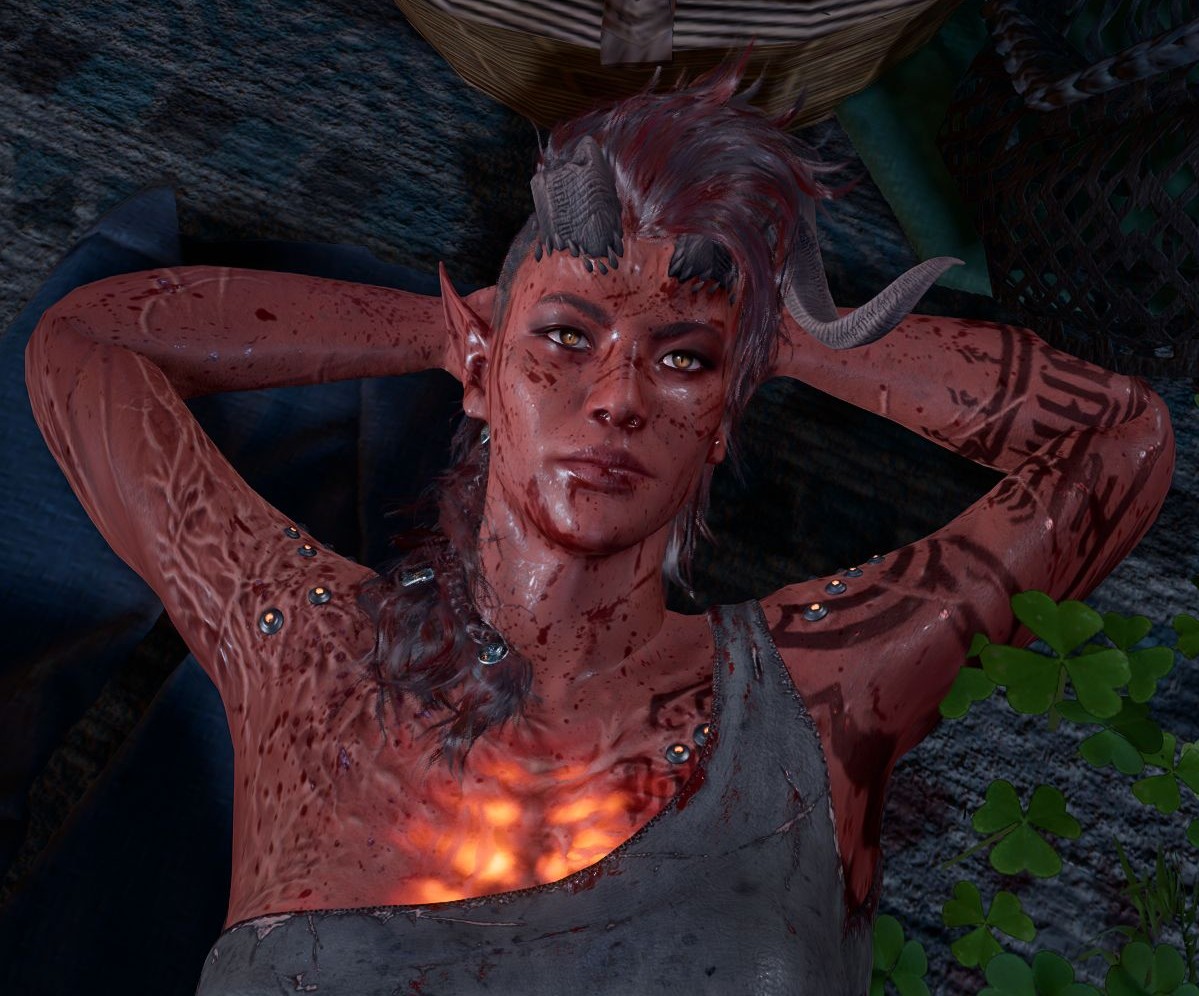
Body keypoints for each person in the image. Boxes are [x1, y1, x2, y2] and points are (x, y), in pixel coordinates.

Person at [24, 61, 1174, 994]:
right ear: (488, 371)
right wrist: (444, 335)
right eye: (567, 339)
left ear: (721, 421)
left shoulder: (822, 689)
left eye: (681, 362)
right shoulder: (304, 649)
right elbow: (88, 347)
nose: (617, 396)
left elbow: (1113, 444)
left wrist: (769, 330)